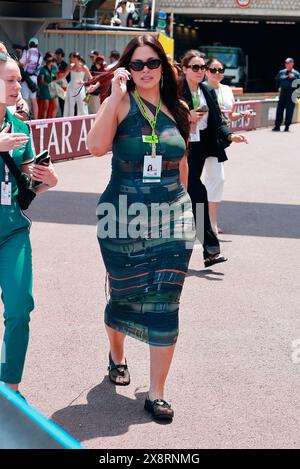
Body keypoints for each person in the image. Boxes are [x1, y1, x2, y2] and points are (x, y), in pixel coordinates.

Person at [88, 35, 194, 421]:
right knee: (124, 293)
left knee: (167, 298)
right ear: (126, 69)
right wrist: (115, 96)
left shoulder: (179, 108)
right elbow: (96, 147)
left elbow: (181, 163)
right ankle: (117, 356)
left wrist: (188, 214)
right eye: (137, 64)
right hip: (121, 215)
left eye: (152, 63)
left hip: (172, 217)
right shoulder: (118, 105)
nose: (145, 71)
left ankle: (157, 392)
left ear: (164, 67)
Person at [0, 53, 58, 398]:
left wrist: (47, 179)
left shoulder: (20, 127)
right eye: (8, 79)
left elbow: (27, 181)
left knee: (20, 309)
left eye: (18, 79)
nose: (16, 86)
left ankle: (10, 389)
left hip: (12, 231)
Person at [179, 50, 248, 266]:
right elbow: (163, 115)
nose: (200, 71)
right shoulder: (175, 91)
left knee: (194, 195)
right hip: (179, 148)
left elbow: (218, 120)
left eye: (202, 68)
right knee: (192, 194)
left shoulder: (207, 91)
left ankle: (209, 251)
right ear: (185, 69)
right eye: (195, 67)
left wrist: (230, 135)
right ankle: (207, 250)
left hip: (199, 148)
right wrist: (186, 116)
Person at [202, 58, 253, 235]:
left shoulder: (227, 90)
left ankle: (211, 221)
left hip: (218, 139)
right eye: (213, 70)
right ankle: (194, 220)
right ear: (206, 71)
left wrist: (240, 115)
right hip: (198, 138)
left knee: (216, 179)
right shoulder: (199, 89)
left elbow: (229, 117)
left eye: (220, 69)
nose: (217, 73)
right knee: (194, 181)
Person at [272, 58, 300, 132]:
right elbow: (277, 80)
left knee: (289, 110)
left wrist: (293, 78)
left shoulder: (296, 73)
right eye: (286, 63)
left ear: (292, 64)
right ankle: (277, 126)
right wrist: (279, 87)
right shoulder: (281, 72)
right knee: (279, 109)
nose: (287, 64)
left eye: (288, 63)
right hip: (283, 92)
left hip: (292, 93)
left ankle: (287, 126)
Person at [19, 37, 42, 119]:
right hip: (34, 79)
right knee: (34, 100)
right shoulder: (40, 55)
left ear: (29, 44)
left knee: (25, 99)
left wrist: (21, 54)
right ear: (37, 45)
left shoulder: (27, 52)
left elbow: (20, 63)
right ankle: (35, 119)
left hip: (26, 78)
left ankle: (27, 118)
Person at [63, 52, 92, 117]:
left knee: (82, 105)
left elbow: (91, 78)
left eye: (72, 57)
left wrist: (84, 82)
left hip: (80, 88)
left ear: (76, 58)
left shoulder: (84, 67)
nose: (70, 59)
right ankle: (69, 120)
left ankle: (84, 120)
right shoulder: (70, 66)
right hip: (71, 88)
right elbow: (64, 76)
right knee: (70, 106)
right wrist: (55, 81)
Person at [38, 52, 59, 119]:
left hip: (52, 88)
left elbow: (55, 78)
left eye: (52, 60)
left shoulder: (54, 68)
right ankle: (44, 122)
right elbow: (41, 80)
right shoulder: (43, 69)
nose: (51, 61)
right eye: (50, 60)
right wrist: (48, 84)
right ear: (46, 59)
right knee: (45, 107)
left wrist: (57, 80)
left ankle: (52, 121)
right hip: (45, 89)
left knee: (56, 105)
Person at [55, 48, 69, 115]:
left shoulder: (64, 64)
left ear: (62, 55)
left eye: (59, 54)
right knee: (55, 102)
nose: (57, 56)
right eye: (56, 54)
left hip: (62, 85)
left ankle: (63, 116)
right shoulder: (54, 63)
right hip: (55, 84)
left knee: (63, 101)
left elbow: (67, 76)